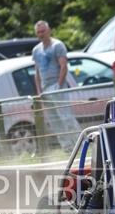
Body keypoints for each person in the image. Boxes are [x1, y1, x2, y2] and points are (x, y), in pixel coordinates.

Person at [32, 20, 81, 151]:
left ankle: (80, 144)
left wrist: (59, 85)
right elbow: (36, 73)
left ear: (49, 30)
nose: (41, 34)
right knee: (54, 121)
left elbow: (63, 66)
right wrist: (39, 92)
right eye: (38, 32)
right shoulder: (36, 50)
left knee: (66, 117)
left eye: (43, 31)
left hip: (56, 86)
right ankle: (67, 147)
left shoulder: (57, 45)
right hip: (44, 89)